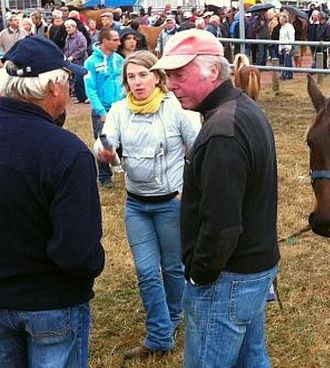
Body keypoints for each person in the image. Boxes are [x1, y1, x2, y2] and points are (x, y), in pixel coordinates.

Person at [152, 29, 280, 367]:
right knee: (252, 358)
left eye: (179, 74)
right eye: (168, 76)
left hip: (229, 277)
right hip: (253, 268)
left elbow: (223, 225)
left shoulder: (223, 130)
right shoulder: (241, 109)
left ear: (212, 70)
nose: (171, 84)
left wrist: (199, 274)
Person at [0, 36, 105, 368]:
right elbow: (77, 251)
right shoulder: (66, 151)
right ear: (55, 88)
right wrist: (93, 264)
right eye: (68, 79)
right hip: (53, 303)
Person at [95, 50, 200, 359]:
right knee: (146, 271)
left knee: (172, 268)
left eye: (143, 74)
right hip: (136, 206)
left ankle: (171, 321)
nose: (137, 82)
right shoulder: (118, 110)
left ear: (157, 76)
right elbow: (105, 139)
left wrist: (188, 189)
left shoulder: (176, 109)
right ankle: (159, 335)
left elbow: (200, 150)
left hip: (171, 203)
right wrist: (104, 150)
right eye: (131, 77)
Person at [84, 27, 125, 188]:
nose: (119, 42)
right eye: (115, 39)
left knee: (123, 139)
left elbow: (124, 83)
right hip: (102, 110)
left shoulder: (120, 60)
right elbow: (90, 89)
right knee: (103, 142)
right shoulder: (91, 62)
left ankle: (123, 167)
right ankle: (104, 176)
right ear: (105, 41)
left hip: (120, 107)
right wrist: (101, 111)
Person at [64, 19, 88, 104]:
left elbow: (83, 48)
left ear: (74, 27)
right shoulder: (67, 37)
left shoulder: (80, 36)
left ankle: (85, 97)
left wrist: (73, 56)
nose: (67, 29)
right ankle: (80, 97)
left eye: (69, 27)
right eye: (66, 28)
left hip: (80, 61)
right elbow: (66, 48)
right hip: (71, 62)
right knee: (75, 80)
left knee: (80, 79)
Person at [278, 12, 295, 80]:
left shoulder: (289, 27)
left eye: (280, 19)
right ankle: (290, 74)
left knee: (287, 61)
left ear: (284, 19)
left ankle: (286, 74)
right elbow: (280, 38)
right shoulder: (281, 28)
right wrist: (280, 48)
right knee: (287, 61)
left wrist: (289, 47)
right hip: (283, 47)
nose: (279, 21)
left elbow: (291, 38)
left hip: (288, 47)